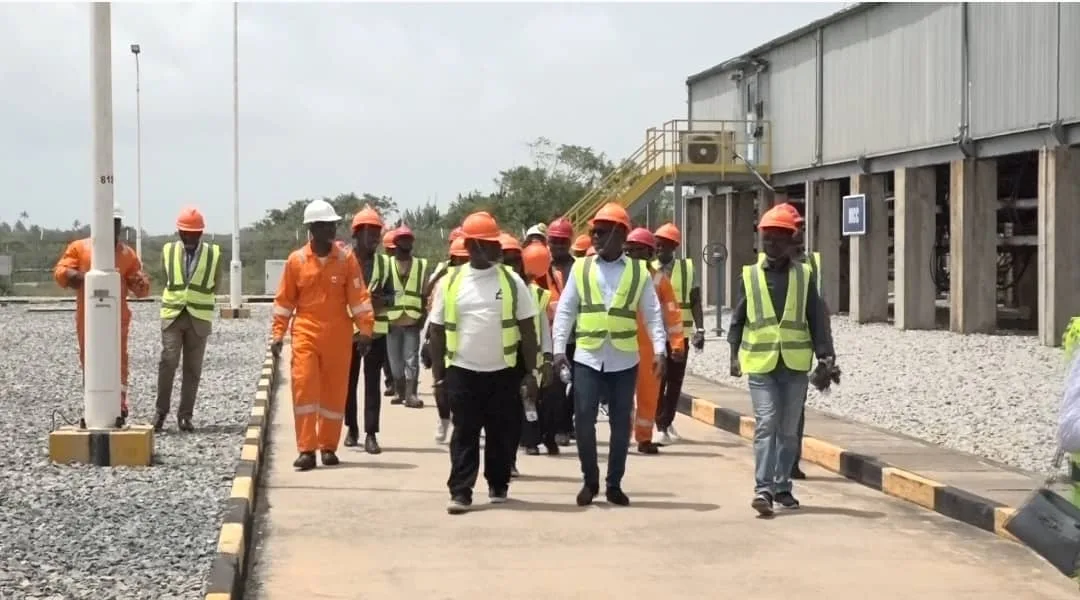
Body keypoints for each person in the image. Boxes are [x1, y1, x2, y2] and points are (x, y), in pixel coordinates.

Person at [552, 203, 667, 507]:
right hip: (588, 357)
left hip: (623, 360)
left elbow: (653, 314)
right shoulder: (581, 268)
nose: (595, 237)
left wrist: (660, 350)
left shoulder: (638, 272)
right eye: (593, 231)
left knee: (620, 424)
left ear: (620, 233)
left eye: (601, 232)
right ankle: (590, 480)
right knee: (583, 420)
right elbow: (566, 311)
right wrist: (558, 349)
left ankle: (614, 483)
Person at [727, 205, 836, 516]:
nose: (771, 244)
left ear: (790, 241)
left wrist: (825, 355)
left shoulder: (804, 276)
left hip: (794, 366)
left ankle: (782, 486)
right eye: (767, 238)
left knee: (788, 431)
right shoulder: (749, 275)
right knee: (767, 423)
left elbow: (817, 319)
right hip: (760, 365)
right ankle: (763, 489)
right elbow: (738, 318)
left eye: (778, 238)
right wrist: (733, 355)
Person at [428, 212, 539, 514]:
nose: (497, 248)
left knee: (501, 432)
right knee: (464, 432)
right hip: (462, 370)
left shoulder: (512, 281)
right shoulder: (450, 282)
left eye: (496, 243)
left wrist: (532, 372)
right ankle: (461, 491)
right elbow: (436, 331)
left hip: (504, 371)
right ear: (472, 246)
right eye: (489, 243)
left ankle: (498, 483)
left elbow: (528, 329)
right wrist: (439, 378)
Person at [270, 199, 374, 471]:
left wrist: (365, 329)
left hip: (338, 336)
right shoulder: (296, 261)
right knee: (304, 388)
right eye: (326, 225)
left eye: (333, 225)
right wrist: (278, 334)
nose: (332, 229)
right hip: (306, 333)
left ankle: (328, 446)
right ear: (312, 228)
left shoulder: (346, 260)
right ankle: (306, 450)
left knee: (334, 393)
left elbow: (359, 297)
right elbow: (284, 302)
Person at [54, 202, 151, 426]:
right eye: (107, 222)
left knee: (119, 358)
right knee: (90, 356)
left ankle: (120, 402)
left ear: (120, 225)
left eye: (115, 223)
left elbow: (141, 288)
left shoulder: (127, 255)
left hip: (118, 318)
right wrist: (80, 277)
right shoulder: (80, 248)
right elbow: (60, 272)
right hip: (88, 317)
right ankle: (93, 401)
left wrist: (141, 284)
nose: (111, 227)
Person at [773, 202, 830, 480]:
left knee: (795, 410)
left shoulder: (812, 264)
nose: (797, 233)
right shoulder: (766, 265)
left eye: (799, 228)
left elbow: (819, 312)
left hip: (798, 351)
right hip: (768, 351)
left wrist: (826, 354)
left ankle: (790, 462)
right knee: (772, 410)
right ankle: (774, 462)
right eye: (794, 228)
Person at [154, 206, 221, 432]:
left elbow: (216, 283)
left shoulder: (213, 253)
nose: (190, 238)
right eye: (186, 233)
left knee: (193, 369)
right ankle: (160, 412)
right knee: (168, 361)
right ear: (179, 232)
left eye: (194, 234)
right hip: (173, 315)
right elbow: (165, 276)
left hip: (199, 317)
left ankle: (185, 416)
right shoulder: (168, 250)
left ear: (201, 233)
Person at [624, 227, 686, 454]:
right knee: (622, 396)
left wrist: (677, 344)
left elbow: (672, 315)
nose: (634, 255)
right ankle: (622, 436)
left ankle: (644, 438)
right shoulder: (618, 278)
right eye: (630, 250)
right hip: (622, 344)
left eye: (639, 250)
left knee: (649, 395)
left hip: (650, 347)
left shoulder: (659, 281)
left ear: (650, 253)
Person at [344, 206, 394, 454]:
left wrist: (381, 301)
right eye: (370, 233)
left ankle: (371, 434)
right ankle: (351, 428)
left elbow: (393, 297)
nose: (375, 238)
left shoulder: (385, 263)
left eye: (377, 233)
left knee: (372, 384)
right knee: (348, 383)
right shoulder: (343, 261)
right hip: (349, 332)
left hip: (376, 332)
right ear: (356, 234)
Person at [652, 223, 706, 444]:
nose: (658, 249)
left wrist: (700, 330)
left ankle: (666, 421)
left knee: (675, 382)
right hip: (656, 335)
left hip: (679, 335)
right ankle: (660, 424)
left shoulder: (687, 269)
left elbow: (695, 301)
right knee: (658, 381)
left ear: (673, 247)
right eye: (656, 245)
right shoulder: (649, 269)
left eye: (663, 245)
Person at [422, 236, 470, 443]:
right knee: (440, 381)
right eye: (460, 259)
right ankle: (443, 419)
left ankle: (462, 423)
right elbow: (426, 293)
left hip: (465, 339)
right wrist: (441, 275)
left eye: (466, 259)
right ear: (453, 259)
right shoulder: (444, 278)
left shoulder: (477, 281)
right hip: (438, 328)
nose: (463, 263)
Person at [385, 225, 428, 409]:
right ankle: (400, 391)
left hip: (412, 319)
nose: (406, 243)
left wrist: (423, 316)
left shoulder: (420, 265)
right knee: (395, 361)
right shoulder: (386, 265)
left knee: (411, 359)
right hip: (392, 320)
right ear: (396, 243)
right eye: (402, 239)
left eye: (408, 239)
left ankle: (411, 395)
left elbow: (425, 294)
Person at [546, 217, 576, 445]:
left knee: (578, 384)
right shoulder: (541, 268)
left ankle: (568, 422)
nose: (557, 246)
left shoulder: (581, 268)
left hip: (579, 335)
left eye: (562, 241)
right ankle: (558, 427)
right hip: (551, 335)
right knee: (555, 384)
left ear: (569, 242)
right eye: (554, 241)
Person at [381, 229, 397, 399]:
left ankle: (399, 381)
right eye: (390, 250)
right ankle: (391, 381)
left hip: (403, 314)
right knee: (387, 354)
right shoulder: (383, 266)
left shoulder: (407, 264)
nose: (393, 252)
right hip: (386, 315)